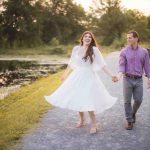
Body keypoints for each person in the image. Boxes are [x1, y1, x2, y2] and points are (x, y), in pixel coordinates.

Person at [44, 31, 117, 134]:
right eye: (86, 36)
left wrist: (112, 75)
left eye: (89, 37)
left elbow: (103, 65)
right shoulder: (76, 49)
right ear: (82, 38)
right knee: (78, 98)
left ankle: (94, 125)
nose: (87, 38)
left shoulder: (94, 50)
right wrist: (64, 75)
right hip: (77, 76)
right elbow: (70, 63)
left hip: (89, 77)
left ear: (91, 40)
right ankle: (82, 120)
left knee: (89, 100)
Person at [114, 31, 150, 130]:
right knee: (127, 101)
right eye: (127, 38)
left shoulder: (144, 52)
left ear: (136, 38)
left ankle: (133, 113)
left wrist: (149, 78)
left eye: (130, 37)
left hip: (139, 80)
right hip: (127, 79)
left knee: (138, 100)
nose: (128, 39)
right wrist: (119, 76)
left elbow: (147, 66)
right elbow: (121, 66)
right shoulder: (124, 51)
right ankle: (129, 120)